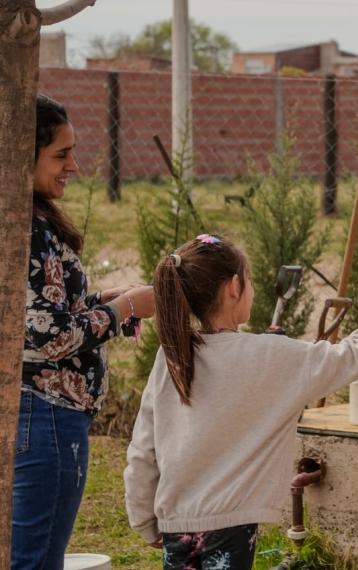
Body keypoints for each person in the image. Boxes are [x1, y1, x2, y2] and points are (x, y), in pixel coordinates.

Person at [123, 234, 358, 569]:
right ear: (234, 287)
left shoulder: (171, 357)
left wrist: (143, 518)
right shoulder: (270, 356)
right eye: (250, 280)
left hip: (175, 524)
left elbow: (143, 449)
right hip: (231, 524)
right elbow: (356, 353)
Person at [14, 94, 155, 569]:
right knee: (36, 560)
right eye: (60, 154)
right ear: (18, 154)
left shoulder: (26, 219)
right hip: (46, 414)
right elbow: (49, 338)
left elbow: (36, 315)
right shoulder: (26, 230)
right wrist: (126, 308)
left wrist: (101, 301)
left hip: (35, 413)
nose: (74, 164)